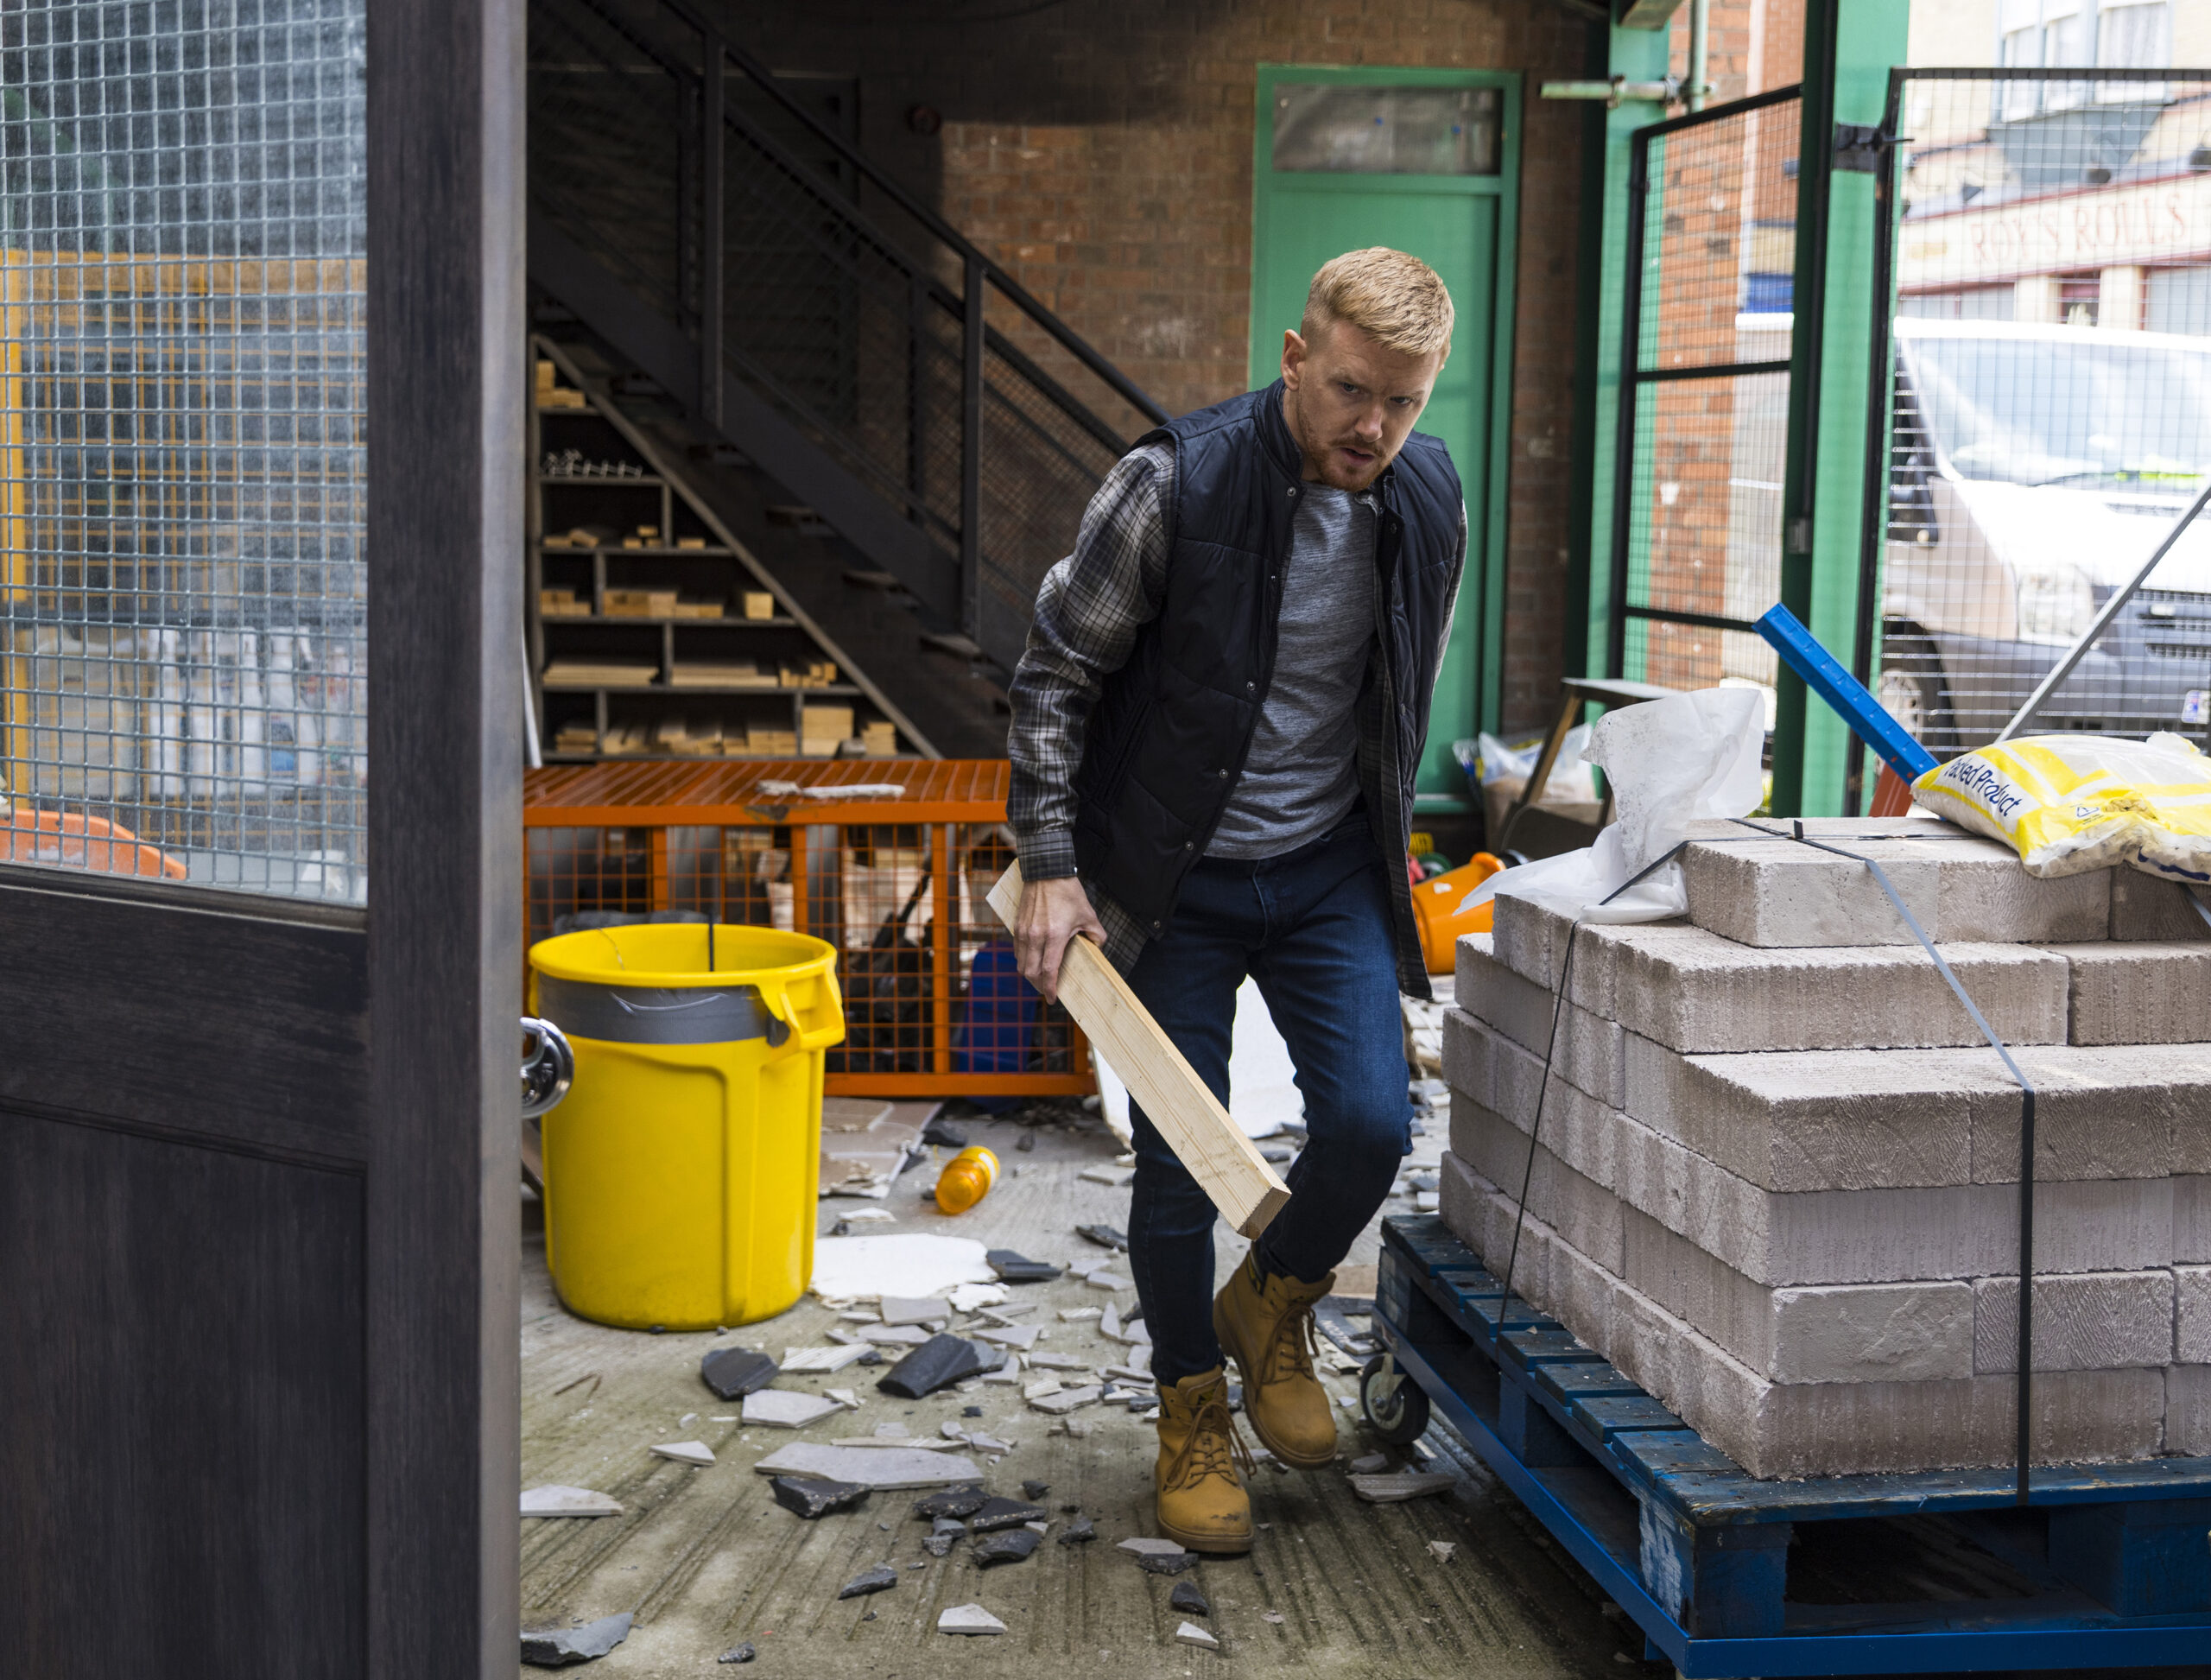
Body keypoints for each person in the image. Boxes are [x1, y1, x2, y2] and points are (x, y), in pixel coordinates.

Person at [1005, 246, 1465, 1552]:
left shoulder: (1428, 500)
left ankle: (1270, 1302)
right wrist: (1050, 859)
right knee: (1174, 1171)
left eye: (1405, 402)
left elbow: (1392, 701)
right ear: (1295, 358)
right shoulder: (1174, 485)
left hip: (1324, 869)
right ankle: (1189, 1410)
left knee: (1375, 1123)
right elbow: (1053, 677)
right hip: (1176, 872)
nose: (1373, 427)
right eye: (1354, 391)